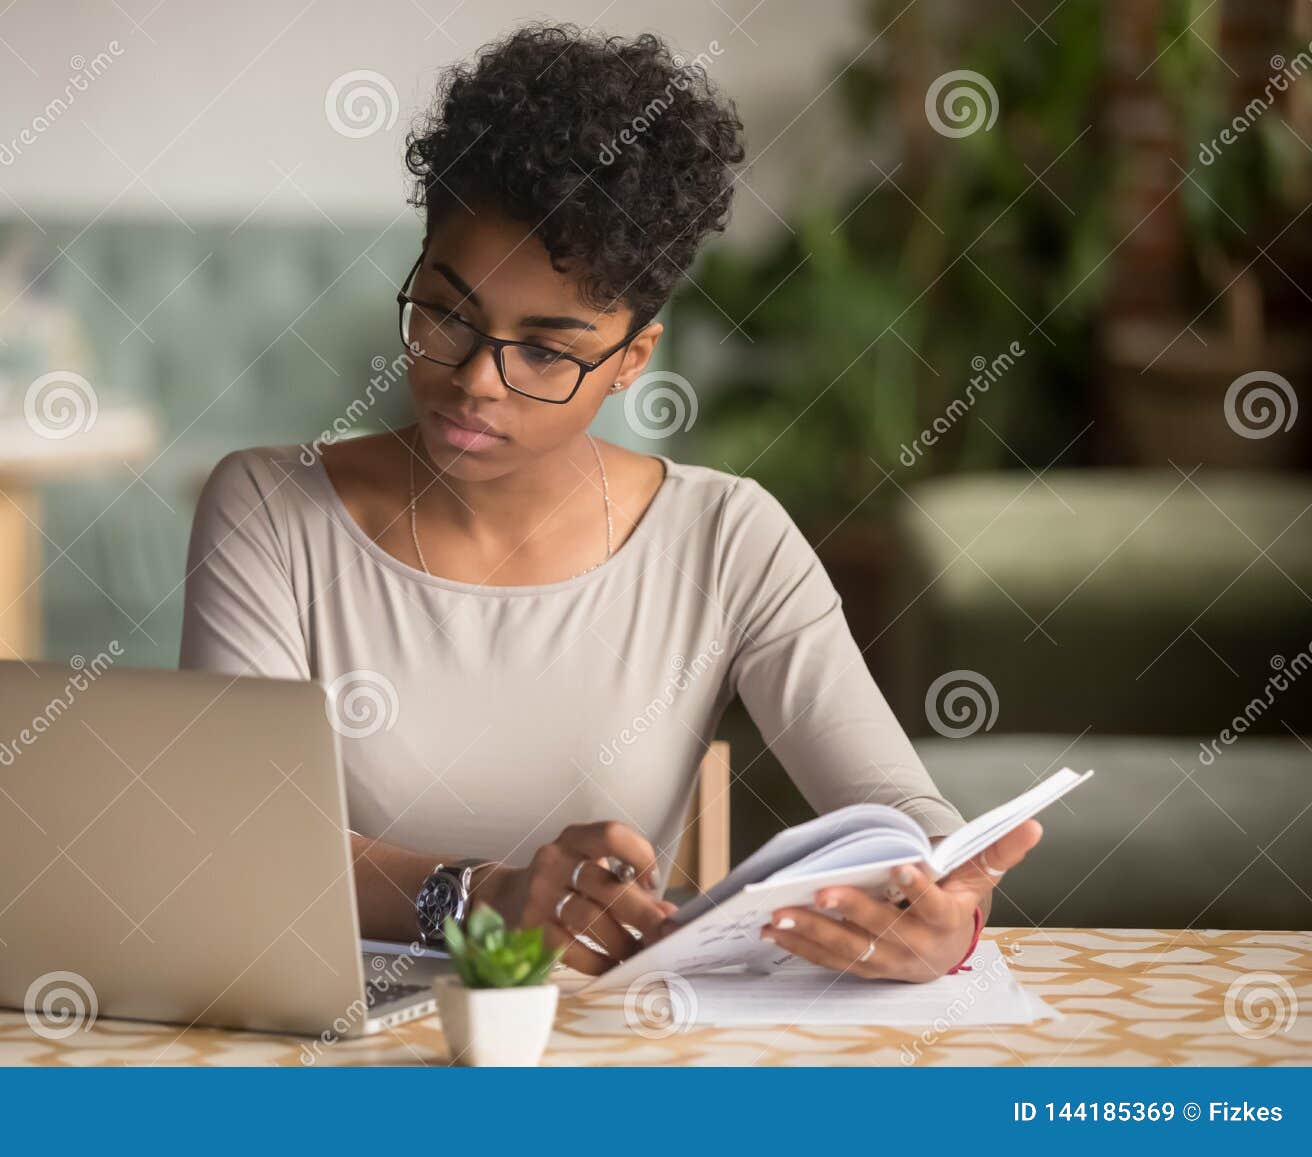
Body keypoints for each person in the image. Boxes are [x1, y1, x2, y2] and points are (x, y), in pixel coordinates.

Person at [180, 23, 1040, 980]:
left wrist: (946, 905)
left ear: (633, 359)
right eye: (446, 313)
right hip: (334, 1050)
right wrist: (478, 899)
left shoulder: (725, 538)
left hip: (612, 1052)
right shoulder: (266, 511)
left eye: (545, 350)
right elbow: (236, 841)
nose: (475, 381)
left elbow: (894, 803)